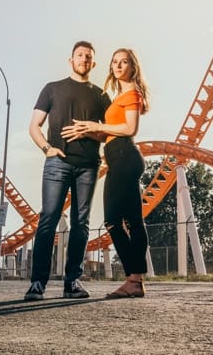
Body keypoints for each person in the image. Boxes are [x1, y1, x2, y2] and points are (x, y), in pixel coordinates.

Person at [24, 40, 111, 301]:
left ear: (93, 64)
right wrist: (46, 148)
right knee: (48, 219)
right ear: (71, 59)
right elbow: (34, 125)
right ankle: (37, 283)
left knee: (81, 223)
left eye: (88, 57)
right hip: (57, 163)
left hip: (88, 165)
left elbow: (111, 133)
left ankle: (72, 281)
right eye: (80, 55)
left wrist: (90, 130)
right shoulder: (52, 88)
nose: (84, 59)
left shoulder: (101, 95)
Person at [62, 48, 150, 299]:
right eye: (115, 62)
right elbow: (110, 133)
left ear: (133, 66)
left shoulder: (132, 92)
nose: (118, 66)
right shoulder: (120, 94)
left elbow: (130, 128)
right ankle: (135, 281)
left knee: (113, 220)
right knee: (133, 220)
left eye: (124, 62)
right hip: (118, 156)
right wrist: (87, 131)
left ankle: (134, 278)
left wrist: (96, 125)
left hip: (124, 156)